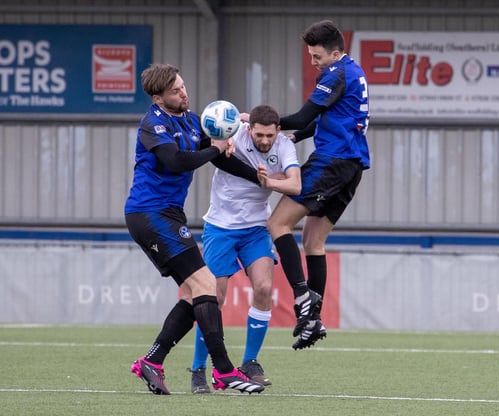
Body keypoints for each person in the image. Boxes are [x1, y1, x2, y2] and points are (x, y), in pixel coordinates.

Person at [124, 63, 264, 395]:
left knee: (192, 293)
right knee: (207, 286)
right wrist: (215, 147)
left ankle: (152, 362)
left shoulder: (190, 118)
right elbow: (176, 161)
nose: (184, 93)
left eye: (183, 87)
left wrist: (258, 178)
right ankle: (225, 372)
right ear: (158, 98)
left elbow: (218, 157)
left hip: (169, 215)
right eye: (175, 91)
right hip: (149, 214)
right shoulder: (152, 124)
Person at [267, 20, 370, 350]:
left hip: (331, 163)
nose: (314, 63)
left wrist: (258, 122)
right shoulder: (352, 71)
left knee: (277, 223)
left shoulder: (335, 73)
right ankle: (315, 320)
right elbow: (328, 118)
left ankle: (302, 301)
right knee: (312, 240)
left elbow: (301, 115)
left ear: (335, 53)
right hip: (352, 167)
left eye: (317, 57)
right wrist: (297, 135)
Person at [189, 104, 301, 393]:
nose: (264, 141)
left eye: (270, 136)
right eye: (259, 135)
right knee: (212, 299)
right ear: (249, 130)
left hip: (255, 229)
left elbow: (296, 185)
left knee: (264, 289)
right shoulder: (234, 133)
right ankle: (200, 368)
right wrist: (219, 143)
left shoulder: (285, 147)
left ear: (278, 131)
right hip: (220, 227)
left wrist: (269, 181)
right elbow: (211, 138)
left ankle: (250, 362)